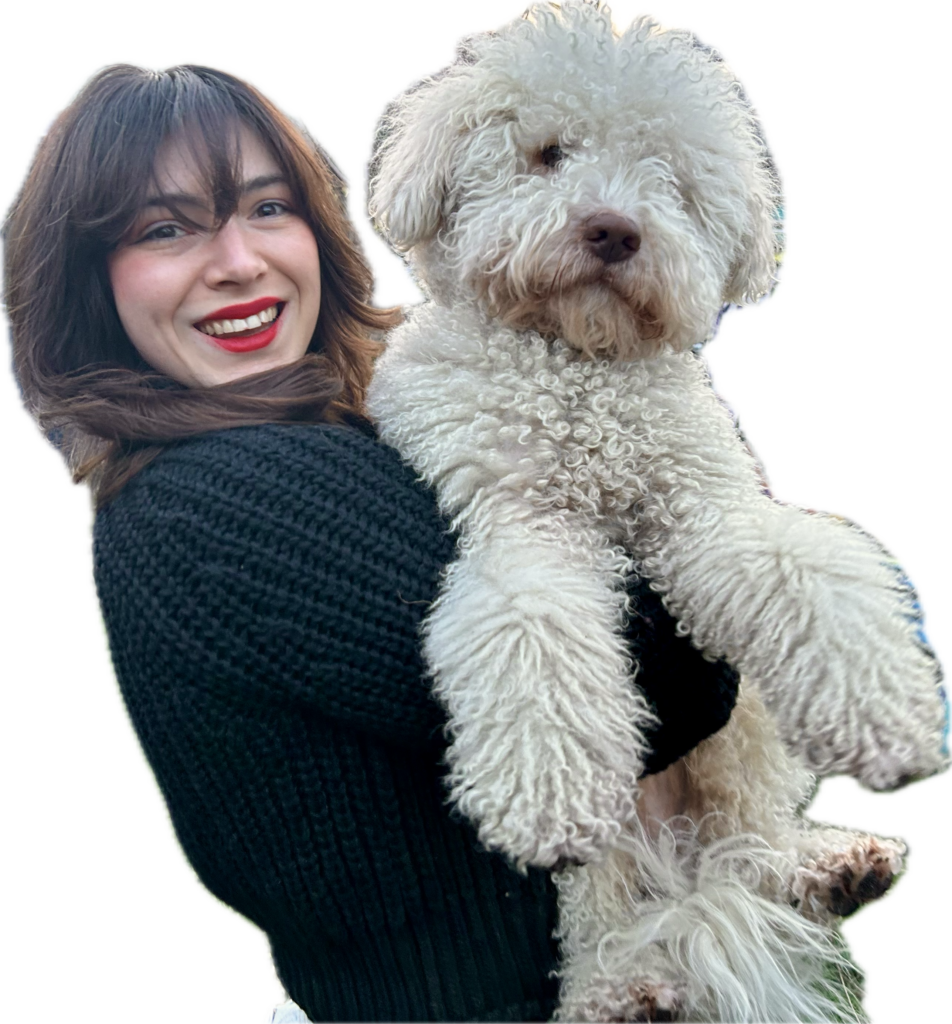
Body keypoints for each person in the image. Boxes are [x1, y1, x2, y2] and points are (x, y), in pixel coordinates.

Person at [1, 60, 740, 1024]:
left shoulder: (347, 436)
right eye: (166, 229)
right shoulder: (218, 498)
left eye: (268, 208)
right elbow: (679, 683)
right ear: (90, 282)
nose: (238, 261)